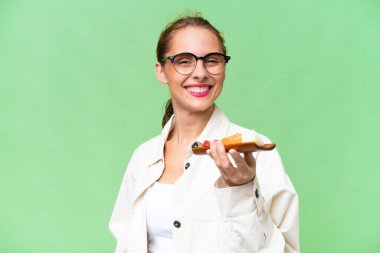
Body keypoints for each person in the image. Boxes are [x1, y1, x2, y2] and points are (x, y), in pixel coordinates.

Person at [109, 14, 299, 253]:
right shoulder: (143, 157)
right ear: (161, 71)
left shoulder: (255, 152)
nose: (200, 72)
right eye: (184, 61)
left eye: (212, 60)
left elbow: (285, 250)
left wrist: (242, 190)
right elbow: (125, 242)